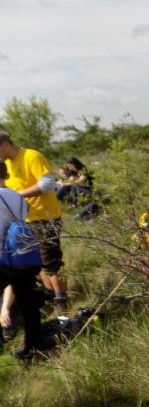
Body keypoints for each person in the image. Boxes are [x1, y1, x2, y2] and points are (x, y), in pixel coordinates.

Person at [0, 132, 68, 315]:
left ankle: (62, 300)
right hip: (23, 221)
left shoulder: (32, 156)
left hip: (45, 217)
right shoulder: (6, 164)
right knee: (35, 263)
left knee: (50, 261)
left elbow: (48, 184)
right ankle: (51, 295)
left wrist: (16, 196)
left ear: (5, 144)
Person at [0, 161, 45, 360]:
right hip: (22, 256)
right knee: (29, 305)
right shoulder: (18, 197)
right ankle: (33, 349)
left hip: (2, 258)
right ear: (6, 174)